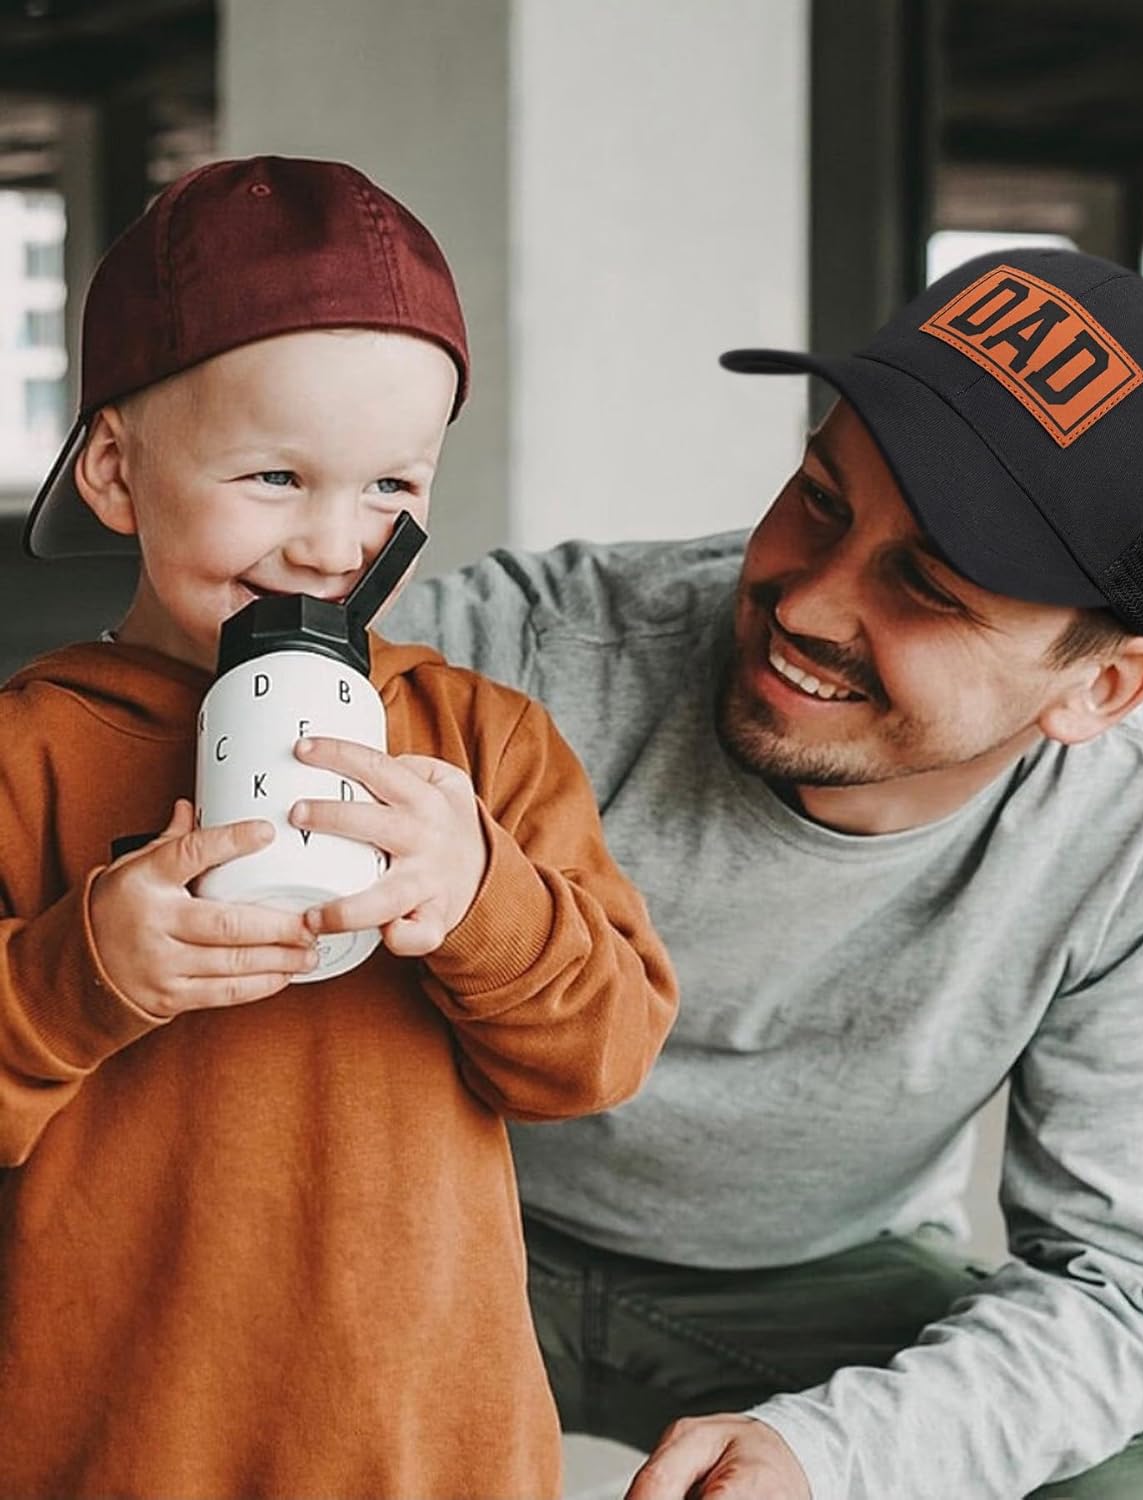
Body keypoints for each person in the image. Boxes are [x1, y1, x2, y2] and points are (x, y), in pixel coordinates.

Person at [388, 246, 1143, 1499]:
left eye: (927, 587)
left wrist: (829, 1457)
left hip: (815, 1276)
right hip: (435, 1212)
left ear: (1101, 688)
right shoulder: (533, 652)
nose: (809, 601)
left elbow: (1120, 1290)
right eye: (824, 499)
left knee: (1130, 1486)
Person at [0, 155, 677, 1500]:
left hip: (426, 1451)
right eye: (273, 476)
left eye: (388, 488)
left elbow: (602, 1054)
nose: (329, 544)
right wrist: (80, 976)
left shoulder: (481, 744)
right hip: (120, 1451)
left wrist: (482, 898)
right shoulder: (27, 755)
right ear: (118, 470)